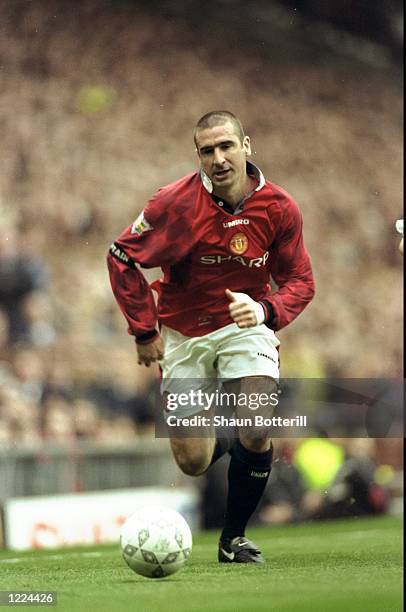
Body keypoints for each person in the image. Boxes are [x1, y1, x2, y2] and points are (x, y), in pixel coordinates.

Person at [107, 110, 315, 564]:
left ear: (247, 146)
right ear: (198, 155)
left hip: (246, 326)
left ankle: (233, 539)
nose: (218, 158)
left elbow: (301, 280)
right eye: (207, 150)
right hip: (183, 332)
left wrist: (264, 309)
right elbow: (121, 256)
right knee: (192, 461)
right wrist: (144, 330)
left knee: (257, 424)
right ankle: (227, 436)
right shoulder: (172, 205)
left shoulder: (279, 207)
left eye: (226, 146)